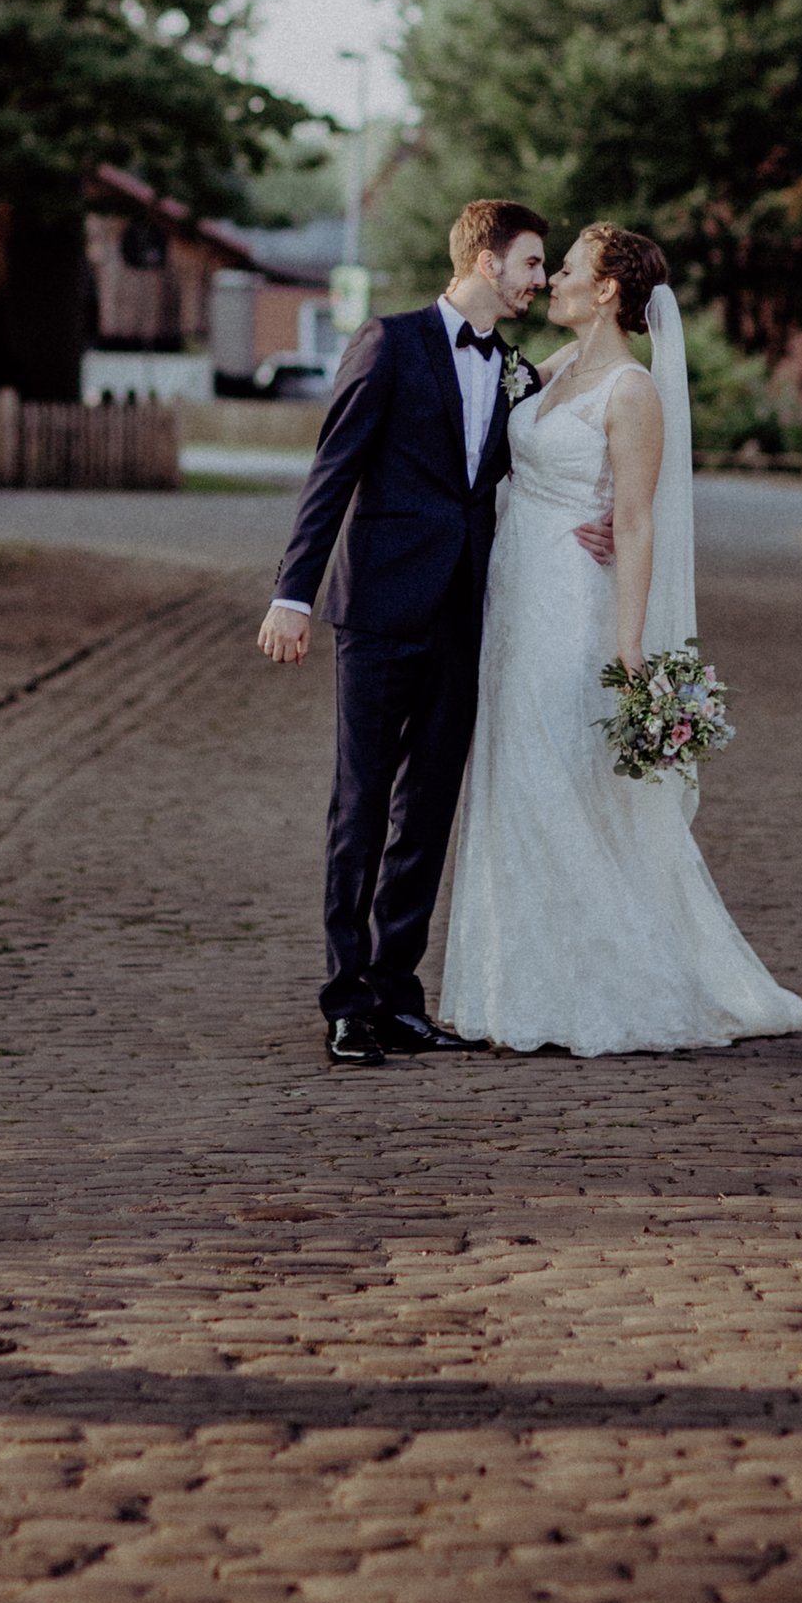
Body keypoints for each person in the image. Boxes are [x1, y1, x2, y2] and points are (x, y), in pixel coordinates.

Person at [440, 222, 802, 1057]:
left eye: (567, 270)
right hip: (513, 601)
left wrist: (630, 646)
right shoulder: (552, 372)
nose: (551, 278)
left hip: (573, 607)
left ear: (605, 293)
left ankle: (601, 984)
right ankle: (512, 979)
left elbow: (635, 519)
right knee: (514, 777)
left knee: (563, 777)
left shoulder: (633, 392)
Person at [258, 199, 549, 1067]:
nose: (540, 278)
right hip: (379, 611)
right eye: (533, 262)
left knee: (426, 813)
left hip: (464, 614)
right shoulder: (388, 342)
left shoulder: (513, 368)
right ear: (490, 263)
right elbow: (333, 470)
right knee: (360, 806)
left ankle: (397, 991)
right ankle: (346, 1001)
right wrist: (292, 595)